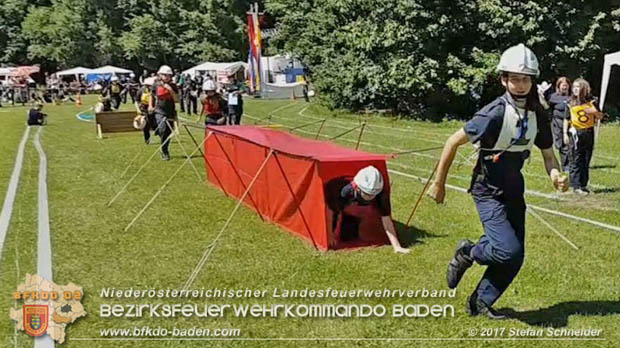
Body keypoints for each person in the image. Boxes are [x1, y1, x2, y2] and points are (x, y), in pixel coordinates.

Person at [427, 44, 568, 319]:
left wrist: (556, 176)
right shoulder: (493, 113)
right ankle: (468, 251)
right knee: (506, 250)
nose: (520, 84)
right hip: (487, 191)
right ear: (503, 79)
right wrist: (438, 183)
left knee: (515, 256)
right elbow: (452, 141)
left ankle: (480, 302)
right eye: (514, 78)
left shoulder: (538, 114)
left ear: (533, 81)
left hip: (514, 191)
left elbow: (549, 156)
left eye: (525, 78)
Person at [324, 166, 410, 253]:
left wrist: (397, 246)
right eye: (367, 194)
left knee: (351, 235)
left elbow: (387, 220)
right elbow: (331, 212)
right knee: (344, 234)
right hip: (336, 197)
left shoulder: (381, 195)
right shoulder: (344, 192)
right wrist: (331, 235)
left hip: (355, 207)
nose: (370, 197)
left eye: (373, 195)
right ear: (357, 188)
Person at [563, 78, 604, 195]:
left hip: (588, 132)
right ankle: (576, 186)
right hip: (575, 132)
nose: (575, 89)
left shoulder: (592, 101)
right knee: (575, 158)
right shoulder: (570, 102)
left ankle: (583, 184)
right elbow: (566, 119)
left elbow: (601, 116)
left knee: (586, 158)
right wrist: (565, 133)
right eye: (574, 87)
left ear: (584, 88)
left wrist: (594, 112)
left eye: (578, 87)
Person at [149, 65, 179, 161]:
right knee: (162, 128)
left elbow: (177, 100)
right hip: (159, 110)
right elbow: (152, 95)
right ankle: (158, 131)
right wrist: (150, 105)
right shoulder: (156, 85)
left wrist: (170, 90)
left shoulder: (173, 86)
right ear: (160, 75)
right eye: (164, 75)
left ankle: (164, 150)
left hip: (170, 111)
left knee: (167, 132)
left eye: (168, 75)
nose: (166, 77)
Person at [135, 78, 155, 144]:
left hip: (153, 109)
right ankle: (147, 140)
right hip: (143, 110)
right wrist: (138, 110)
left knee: (154, 124)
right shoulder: (140, 91)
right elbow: (136, 101)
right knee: (145, 125)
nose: (149, 87)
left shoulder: (154, 91)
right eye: (148, 85)